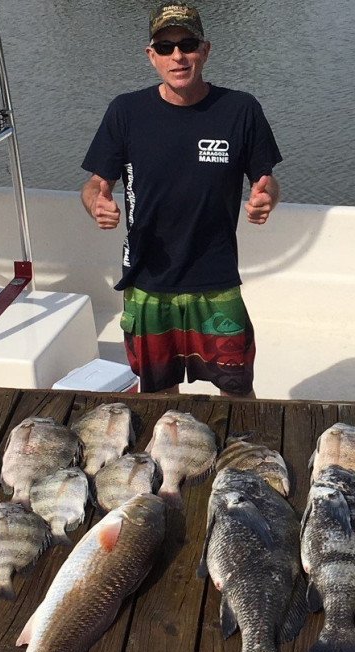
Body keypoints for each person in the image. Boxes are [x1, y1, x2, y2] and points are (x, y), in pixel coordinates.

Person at [80, 2, 282, 398]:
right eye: (166, 46)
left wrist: (265, 199)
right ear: (151, 55)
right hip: (148, 279)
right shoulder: (126, 111)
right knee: (157, 395)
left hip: (217, 279)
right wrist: (96, 204)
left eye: (188, 44)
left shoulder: (241, 109)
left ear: (205, 51)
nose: (178, 56)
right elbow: (94, 185)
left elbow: (266, 180)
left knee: (238, 392)